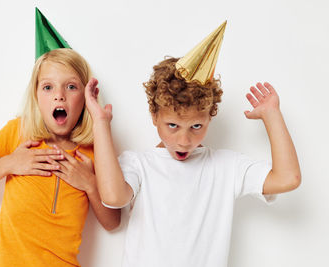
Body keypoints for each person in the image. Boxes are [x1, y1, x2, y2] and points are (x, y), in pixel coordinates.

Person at [84, 21, 301, 267]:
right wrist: (100, 123)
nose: (184, 141)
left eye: (196, 127)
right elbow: (113, 197)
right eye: (173, 126)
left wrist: (272, 115)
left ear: (210, 117)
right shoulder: (139, 164)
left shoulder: (225, 166)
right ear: (154, 116)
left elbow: (288, 178)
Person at [0, 14, 121, 266]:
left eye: (71, 87)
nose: (59, 97)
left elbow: (113, 222)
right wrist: (11, 163)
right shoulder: (17, 133)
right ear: (35, 94)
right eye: (48, 87)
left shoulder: (93, 150)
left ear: (86, 97)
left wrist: (90, 183)